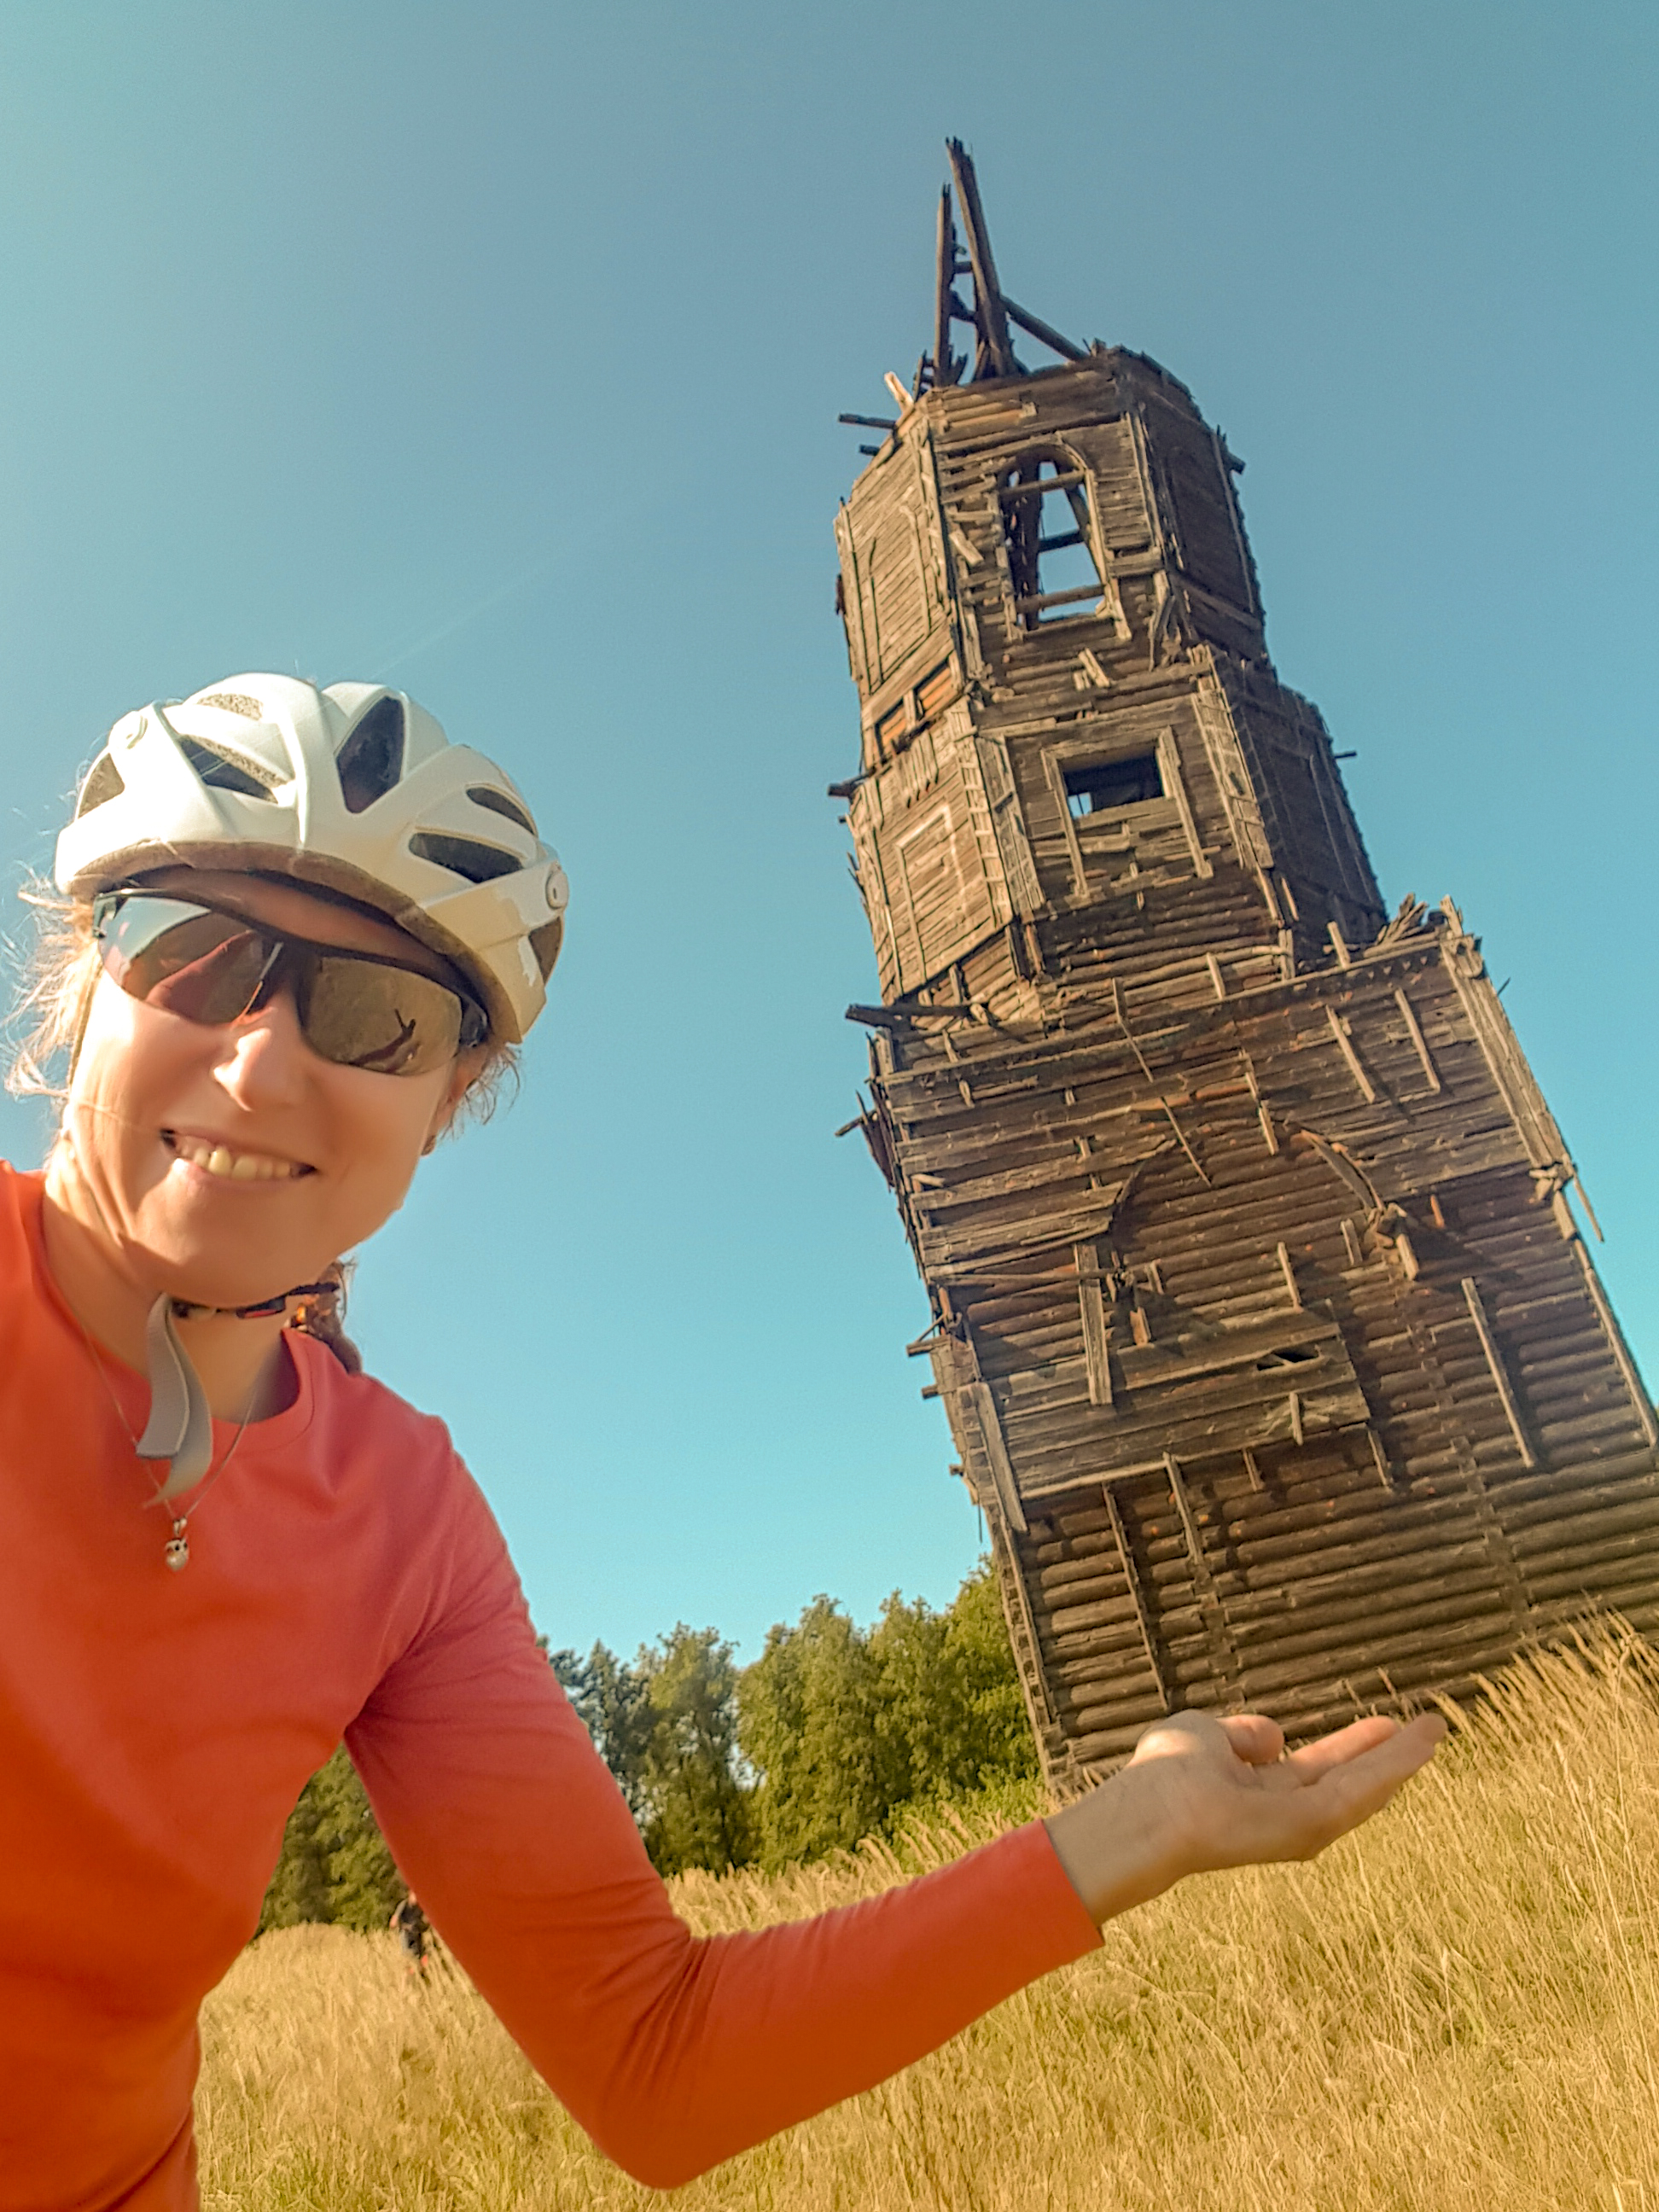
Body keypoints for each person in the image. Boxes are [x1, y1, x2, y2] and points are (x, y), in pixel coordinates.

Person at [0, 674, 1445, 2210]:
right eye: (193, 954)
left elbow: (656, 2054)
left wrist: (1138, 1827)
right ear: (88, 987)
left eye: (374, 1015)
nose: (259, 1061)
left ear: (447, 1097)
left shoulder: (405, 1523)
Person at [390, 1892, 430, 1976]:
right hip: (405, 1933)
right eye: (413, 1896)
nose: (415, 1899)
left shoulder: (420, 1906)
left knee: (422, 1954)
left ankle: (423, 1973)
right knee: (407, 1956)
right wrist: (400, 1925)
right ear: (409, 1895)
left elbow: (427, 1920)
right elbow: (393, 1921)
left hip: (417, 1933)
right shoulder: (403, 1905)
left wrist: (423, 1926)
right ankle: (410, 1974)